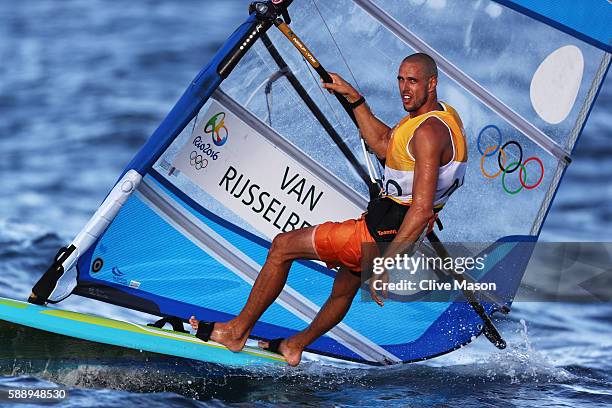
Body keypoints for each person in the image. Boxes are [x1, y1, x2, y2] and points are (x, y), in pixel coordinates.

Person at [189, 52, 467, 366]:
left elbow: (421, 209)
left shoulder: (429, 133)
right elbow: (385, 143)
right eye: (401, 79)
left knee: (282, 248)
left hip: (379, 234)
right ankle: (294, 345)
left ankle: (237, 331)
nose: (404, 88)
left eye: (413, 81)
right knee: (342, 292)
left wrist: (385, 264)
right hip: (389, 231)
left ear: (432, 83)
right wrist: (355, 98)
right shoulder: (442, 116)